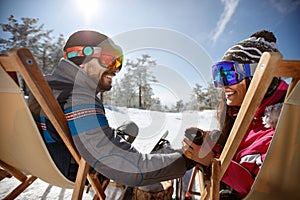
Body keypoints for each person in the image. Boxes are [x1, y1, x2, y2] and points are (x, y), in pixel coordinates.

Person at [28, 30, 194, 186]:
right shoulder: (78, 97)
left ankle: (116, 139)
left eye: (118, 62)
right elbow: (128, 168)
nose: (115, 69)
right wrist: (186, 161)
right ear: (82, 58)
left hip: (45, 162)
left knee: (130, 127)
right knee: (146, 155)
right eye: (108, 60)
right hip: (79, 170)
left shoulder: (45, 86)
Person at [182, 30, 288, 199]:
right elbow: (240, 151)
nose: (222, 86)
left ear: (256, 77)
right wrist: (210, 144)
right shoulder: (247, 116)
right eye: (219, 75)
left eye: (229, 75)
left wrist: (212, 161)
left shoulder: (281, 130)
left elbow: (261, 190)